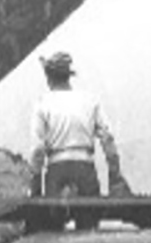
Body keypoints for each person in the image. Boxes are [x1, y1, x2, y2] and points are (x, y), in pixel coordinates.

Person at [28, 51, 130, 199]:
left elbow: (38, 150)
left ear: (48, 77)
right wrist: (115, 177)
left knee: (51, 219)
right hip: (85, 168)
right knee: (88, 218)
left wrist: (35, 185)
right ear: (69, 76)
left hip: (57, 170)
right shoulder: (90, 101)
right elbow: (107, 140)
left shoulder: (42, 103)